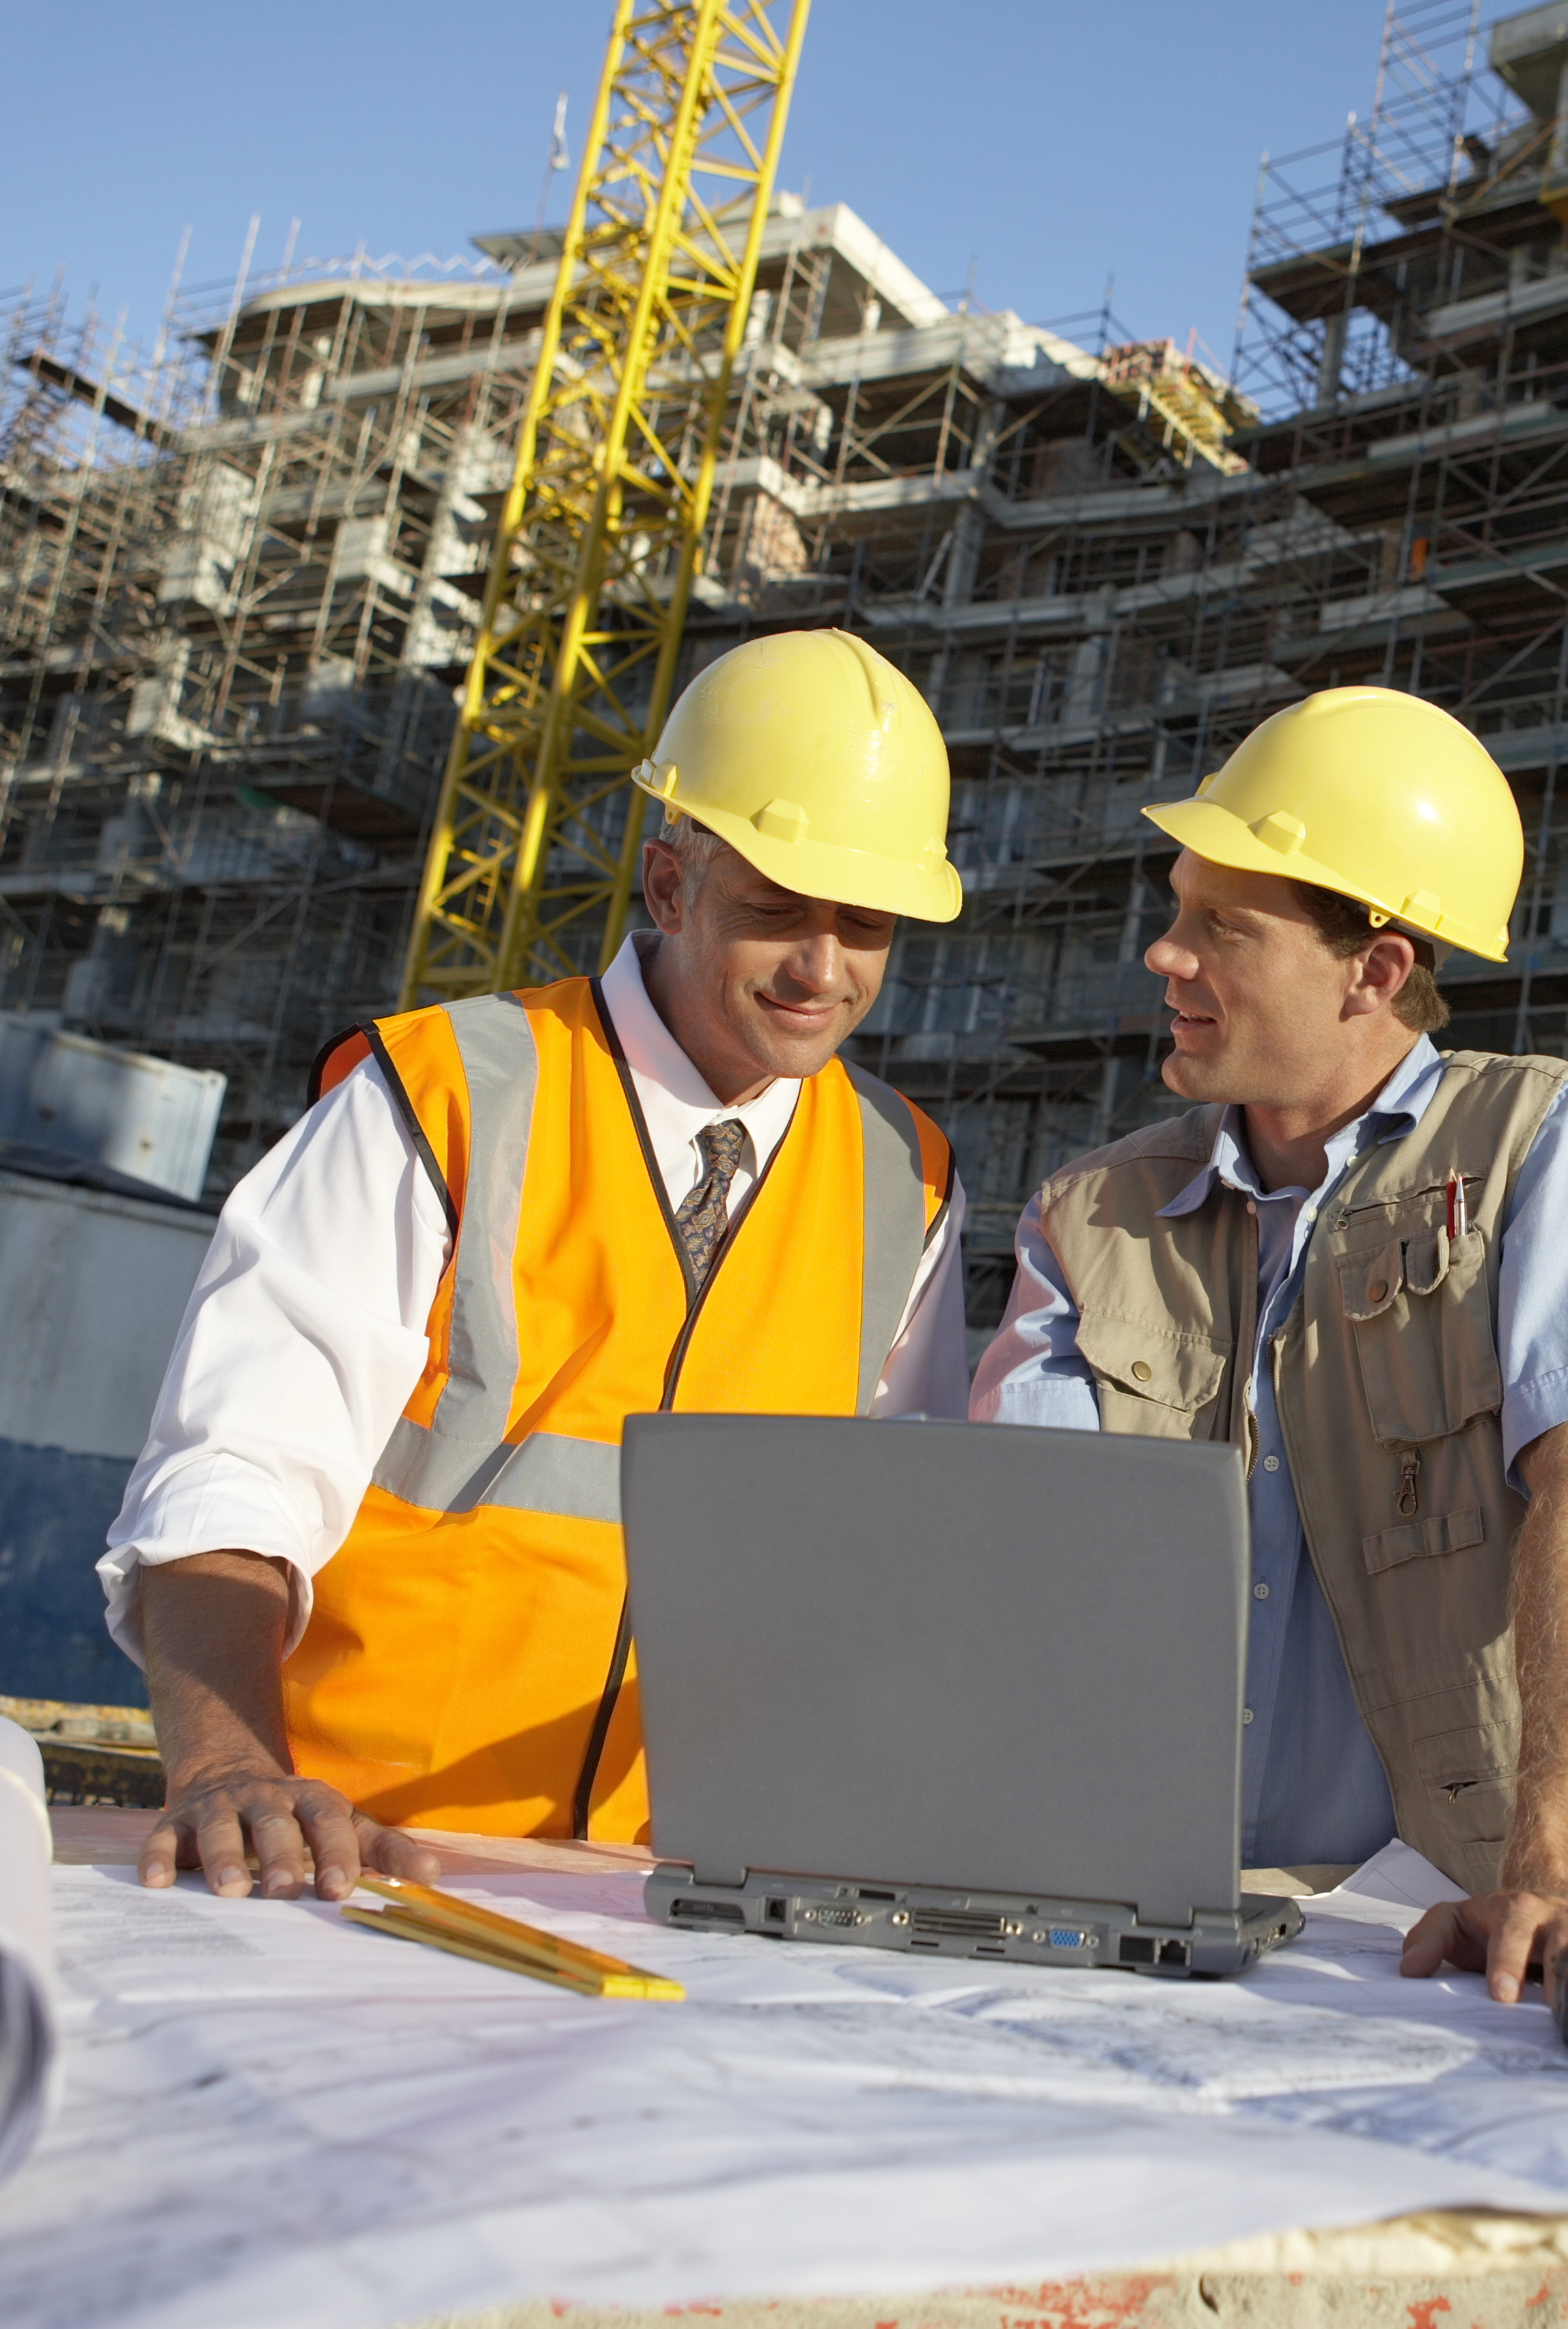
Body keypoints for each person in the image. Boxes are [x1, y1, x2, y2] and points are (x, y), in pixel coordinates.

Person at [102, 629, 969, 1900]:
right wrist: (224, 1764)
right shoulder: (446, 1093)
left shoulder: (906, 1174)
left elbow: (879, 1568)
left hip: (688, 1898)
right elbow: (229, 1477)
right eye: (776, 910)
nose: (822, 968)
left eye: (867, 923)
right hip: (350, 1871)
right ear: (668, 886)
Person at [970, 685, 1568, 2006]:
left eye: (1221, 925)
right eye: (1174, 909)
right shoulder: (1087, 1213)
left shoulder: (1537, 1149)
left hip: (1450, 1934)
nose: (1165, 954)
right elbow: (1016, 1554)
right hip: (1139, 1926)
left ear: (1372, 971)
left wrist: (1563, 1870)